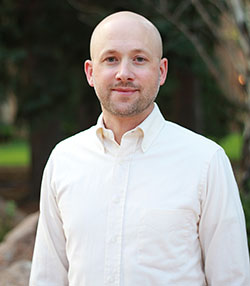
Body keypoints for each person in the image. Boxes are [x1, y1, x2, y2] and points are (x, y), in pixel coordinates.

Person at [29, 11, 250, 286]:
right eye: (110, 59)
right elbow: (47, 277)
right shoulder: (64, 160)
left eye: (139, 59)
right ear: (90, 72)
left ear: (161, 72)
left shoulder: (206, 161)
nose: (124, 73)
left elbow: (232, 278)